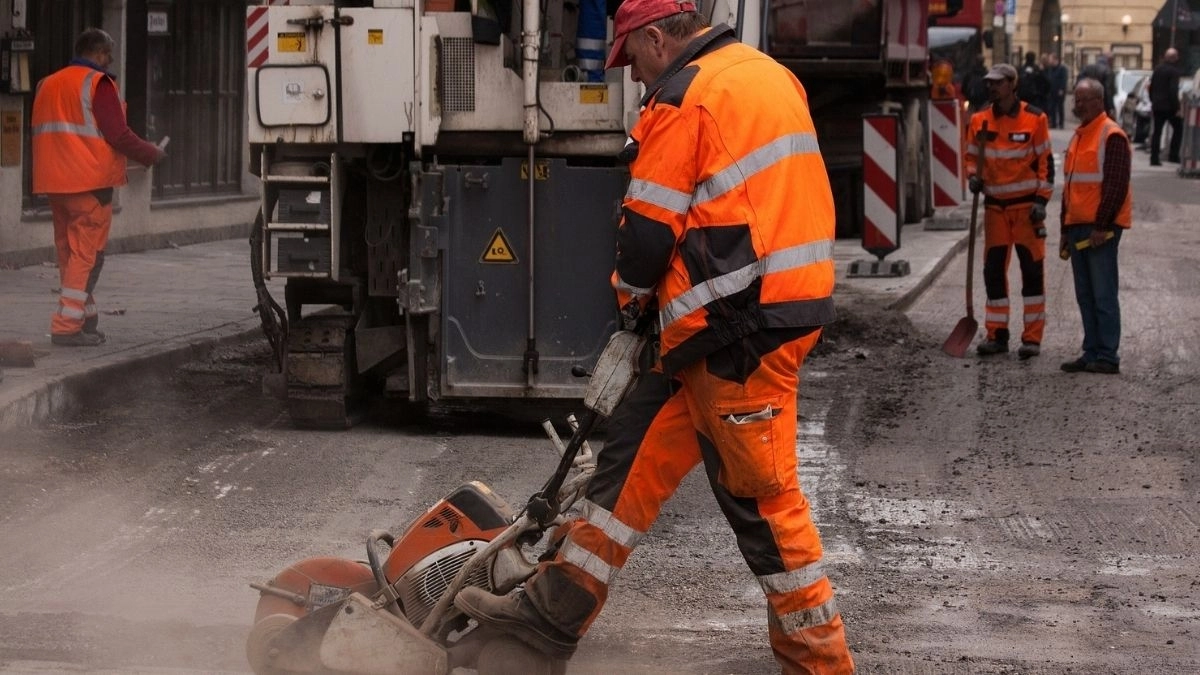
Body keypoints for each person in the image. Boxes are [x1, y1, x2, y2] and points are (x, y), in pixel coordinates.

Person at [454, 0, 855, 672]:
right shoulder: (765, 74)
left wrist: (630, 309)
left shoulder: (683, 96)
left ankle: (822, 663)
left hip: (738, 330)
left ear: (656, 37)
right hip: (737, 319)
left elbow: (646, 235)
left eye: (632, 58)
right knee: (627, 464)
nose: (633, 76)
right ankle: (545, 621)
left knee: (762, 503)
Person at [31, 28, 165, 347]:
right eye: (109, 54)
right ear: (99, 52)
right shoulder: (98, 83)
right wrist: (151, 153)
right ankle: (66, 326)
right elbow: (118, 135)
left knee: (70, 253)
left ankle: (84, 316)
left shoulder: (47, 84)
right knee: (87, 256)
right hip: (90, 184)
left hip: (54, 182)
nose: (111, 61)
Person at [964, 63, 1053, 359]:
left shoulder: (1035, 118)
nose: (992, 87)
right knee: (993, 272)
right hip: (995, 210)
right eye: (989, 82)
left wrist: (1042, 200)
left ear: (1012, 85)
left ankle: (1032, 339)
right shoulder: (979, 120)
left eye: (998, 83)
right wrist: (972, 176)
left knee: (1031, 273)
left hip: (1026, 209)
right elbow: (970, 157)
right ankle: (997, 335)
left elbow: (1046, 163)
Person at [1059, 78, 1132, 375]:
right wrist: (1064, 229)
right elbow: (1070, 187)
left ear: (1099, 101)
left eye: (1083, 99)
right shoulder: (1079, 136)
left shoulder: (1111, 134)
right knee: (1085, 294)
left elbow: (1115, 185)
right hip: (1078, 226)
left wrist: (1101, 226)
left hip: (1099, 228)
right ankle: (1091, 351)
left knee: (1102, 293)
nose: (1077, 105)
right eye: (1076, 99)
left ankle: (1107, 355)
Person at [1148, 47, 1184, 166]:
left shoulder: (1157, 69)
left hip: (1157, 105)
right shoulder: (1174, 71)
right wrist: (1177, 107)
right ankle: (1173, 155)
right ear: (1174, 58)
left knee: (1157, 132)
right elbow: (1173, 90)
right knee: (1178, 128)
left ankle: (1154, 158)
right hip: (1169, 106)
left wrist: (1153, 100)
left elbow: (1151, 87)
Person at [1079, 54, 1116, 119]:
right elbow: (1108, 90)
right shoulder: (1108, 71)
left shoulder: (1087, 68)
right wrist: (1111, 107)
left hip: (1087, 101)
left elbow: (1079, 83)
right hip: (1102, 103)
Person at [1043, 53, 1069, 129]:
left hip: (1059, 91)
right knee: (1052, 107)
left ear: (1055, 59)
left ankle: (1061, 123)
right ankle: (1054, 123)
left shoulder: (1062, 69)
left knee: (1060, 107)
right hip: (1051, 91)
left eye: (1050, 59)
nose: (1049, 61)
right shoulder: (1050, 69)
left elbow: (1063, 80)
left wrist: (1061, 89)